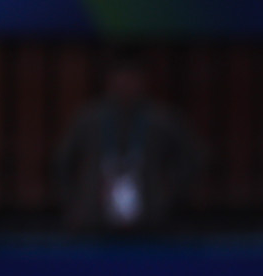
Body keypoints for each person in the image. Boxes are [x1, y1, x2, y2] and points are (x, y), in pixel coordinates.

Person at [55, 52, 202, 231]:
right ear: (109, 81)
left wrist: (168, 195)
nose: (125, 84)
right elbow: (63, 162)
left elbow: (191, 159)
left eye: (131, 78)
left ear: (143, 81)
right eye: (120, 78)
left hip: (150, 219)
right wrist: (74, 203)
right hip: (94, 218)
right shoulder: (89, 119)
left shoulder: (161, 120)